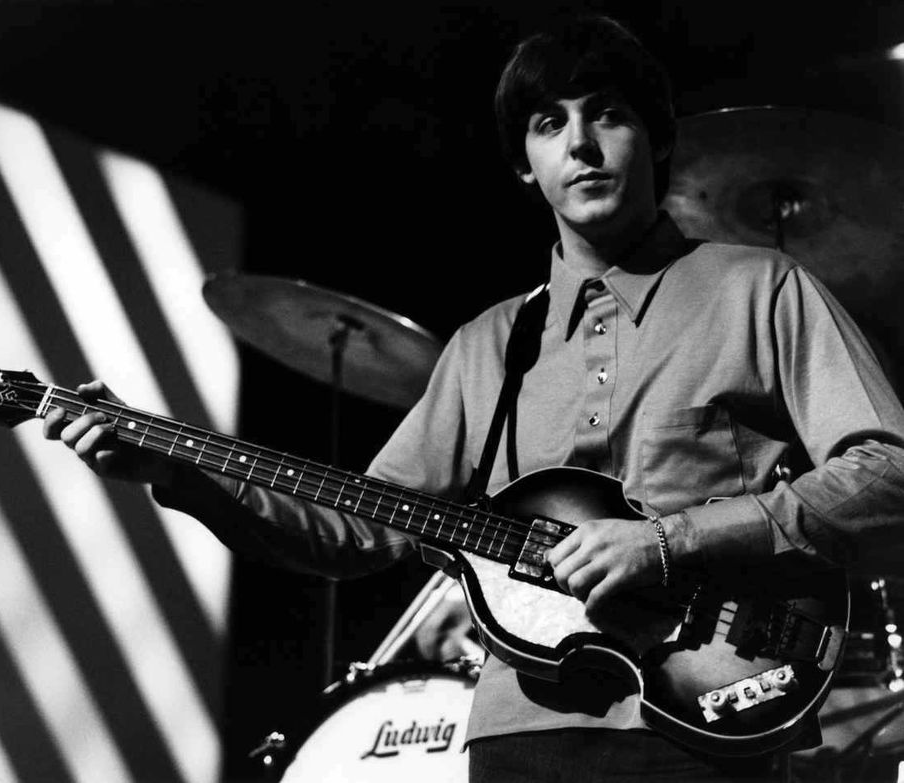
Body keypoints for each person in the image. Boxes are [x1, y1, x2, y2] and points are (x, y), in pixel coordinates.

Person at [44, 14, 904, 782]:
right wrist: (180, 470)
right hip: (519, 738)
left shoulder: (757, 288)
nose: (581, 145)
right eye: (548, 123)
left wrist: (670, 544)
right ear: (524, 166)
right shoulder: (489, 344)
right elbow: (359, 529)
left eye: (607, 112)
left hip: (712, 719)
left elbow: (888, 470)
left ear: (657, 137)